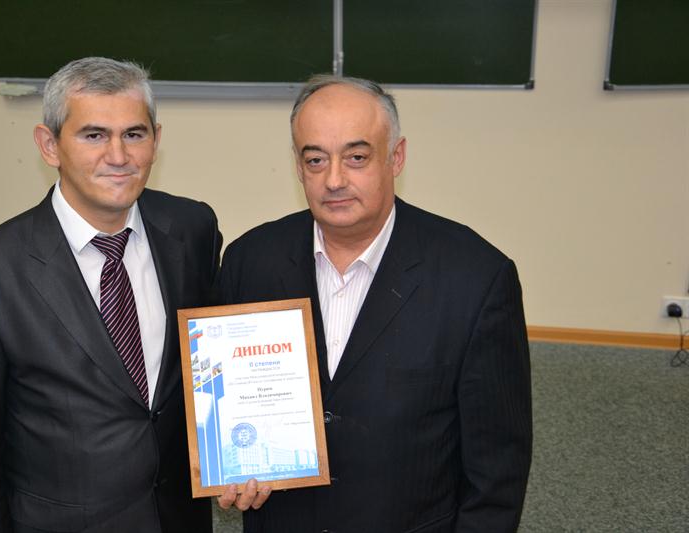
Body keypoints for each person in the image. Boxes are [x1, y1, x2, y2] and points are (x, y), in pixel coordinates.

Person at [217, 75, 532, 532]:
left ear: (396, 157)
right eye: (315, 159)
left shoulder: (476, 278)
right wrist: (230, 466)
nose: (334, 180)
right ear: (298, 166)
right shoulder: (249, 260)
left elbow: (497, 468)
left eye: (357, 157)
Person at [0, 57, 219, 533]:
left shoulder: (193, 229)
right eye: (94, 135)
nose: (118, 155)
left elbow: (206, 366)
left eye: (134, 134)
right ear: (49, 145)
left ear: (156, 139)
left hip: (178, 515)